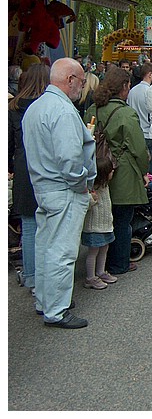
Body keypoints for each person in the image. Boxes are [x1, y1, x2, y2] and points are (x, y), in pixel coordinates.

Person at [23, 57, 97, 328]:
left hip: (43, 186)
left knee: (45, 248)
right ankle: (57, 309)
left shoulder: (36, 107)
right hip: (64, 189)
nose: (81, 86)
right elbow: (70, 160)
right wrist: (81, 185)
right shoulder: (63, 111)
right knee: (62, 252)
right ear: (69, 80)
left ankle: (46, 300)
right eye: (79, 81)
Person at [85, 67, 150, 275]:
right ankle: (118, 263)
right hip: (122, 172)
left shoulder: (92, 110)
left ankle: (96, 264)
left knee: (99, 220)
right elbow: (138, 149)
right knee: (122, 221)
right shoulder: (125, 113)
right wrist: (143, 171)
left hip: (97, 170)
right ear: (124, 87)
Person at [8, 63, 50, 292]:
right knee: (48, 224)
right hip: (45, 166)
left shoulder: (13, 108)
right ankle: (45, 277)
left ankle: (31, 276)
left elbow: (9, 145)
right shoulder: (48, 108)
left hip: (23, 169)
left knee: (29, 224)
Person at [81, 155, 117, 290]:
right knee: (93, 251)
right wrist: (92, 199)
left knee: (104, 248)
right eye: (110, 171)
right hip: (94, 226)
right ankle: (90, 277)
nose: (112, 173)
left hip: (106, 224)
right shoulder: (93, 189)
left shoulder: (105, 186)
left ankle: (101, 272)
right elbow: (87, 205)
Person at [127, 61, 152, 139]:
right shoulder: (150, 91)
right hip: (147, 132)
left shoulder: (132, 90)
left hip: (133, 131)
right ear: (150, 74)